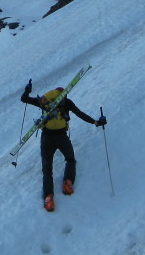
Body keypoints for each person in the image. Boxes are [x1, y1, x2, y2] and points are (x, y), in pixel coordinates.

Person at [20, 79, 106, 212]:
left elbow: (24, 99)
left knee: (47, 169)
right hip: (61, 137)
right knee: (70, 159)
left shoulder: (45, 102)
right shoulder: (66, 102)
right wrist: (96, 122)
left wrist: (27, 90)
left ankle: (48, 199)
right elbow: (80, 114)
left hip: (46, 138)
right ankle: (67, 183)